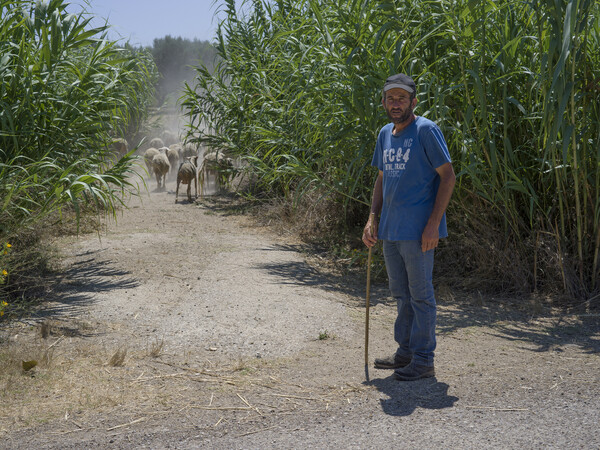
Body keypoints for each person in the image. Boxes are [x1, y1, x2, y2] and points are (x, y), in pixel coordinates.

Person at [362, 73, 455, 381]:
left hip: (418, 233)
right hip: (390, 230)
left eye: (402, 98)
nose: (396, 103)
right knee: (401, 294)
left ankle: (425, 359)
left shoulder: (426, 130)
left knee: (421, 295)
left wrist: (432, 226)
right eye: (391, 98)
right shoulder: (385, 134)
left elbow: (448, 176)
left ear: (414, 101)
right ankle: (406, 352)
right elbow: (381, 178)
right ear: (384, 102)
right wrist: (372, 218)